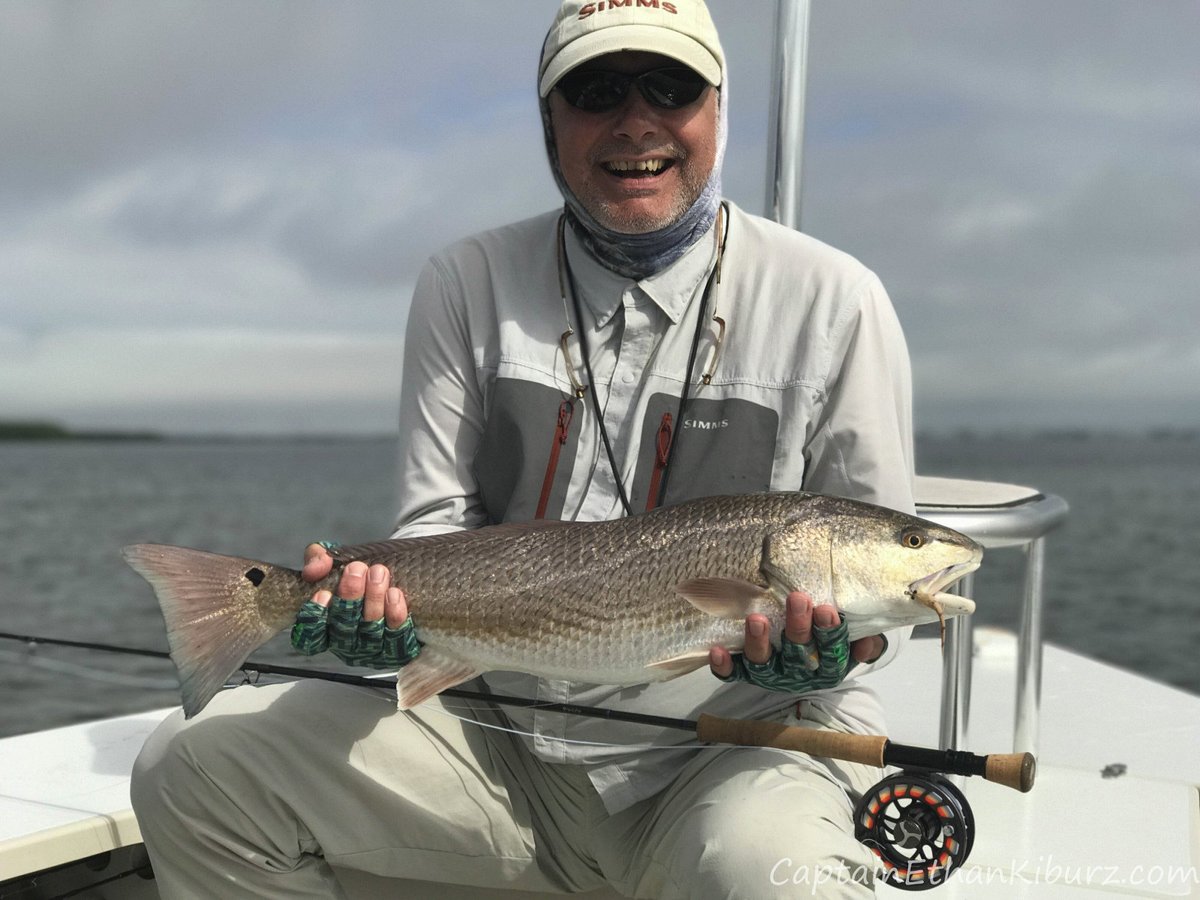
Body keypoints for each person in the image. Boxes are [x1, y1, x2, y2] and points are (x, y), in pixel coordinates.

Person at [131, 1, 914, 897]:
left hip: (732, 751)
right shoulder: (464, 282)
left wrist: (839, 652)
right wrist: (377, 624)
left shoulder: (837, 300)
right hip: (495, 732)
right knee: (191, 771)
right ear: (549, 120)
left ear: (718, 107)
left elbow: (875, 574)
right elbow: (434, 530)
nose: (636, 120)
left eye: (671, 86)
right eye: (594, 90)